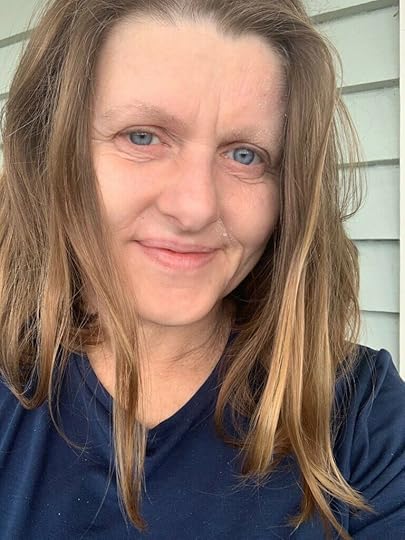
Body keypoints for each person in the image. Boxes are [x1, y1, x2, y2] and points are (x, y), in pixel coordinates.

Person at [0, 0, 404, 538]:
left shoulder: (359, 418)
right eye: (142, 137)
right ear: (49, 152)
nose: (195, 208)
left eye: (245, 155)